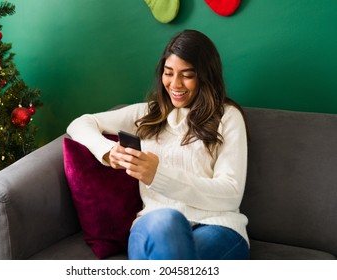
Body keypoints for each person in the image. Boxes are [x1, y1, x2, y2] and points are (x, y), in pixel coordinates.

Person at [67, 29, 250, 260]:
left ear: (205, 76)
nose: (175, 84)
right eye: (168, 73)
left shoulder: (227, 117)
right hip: (154, 225)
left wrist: (158, 175)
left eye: (187, 75)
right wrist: (107, 151)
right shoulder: (148, 114)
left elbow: (230, 194)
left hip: (217, 227)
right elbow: (80, 123)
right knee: (168, 220)